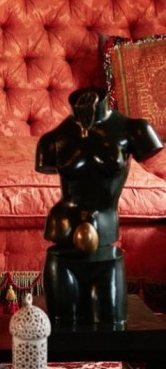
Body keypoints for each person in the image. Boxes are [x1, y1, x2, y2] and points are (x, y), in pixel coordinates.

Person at [36, 86, 163, 326]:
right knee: (63, 326)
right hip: (63, 228)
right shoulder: (53, 139)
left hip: (104, 230)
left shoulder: (134, 129)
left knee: (111, 325)